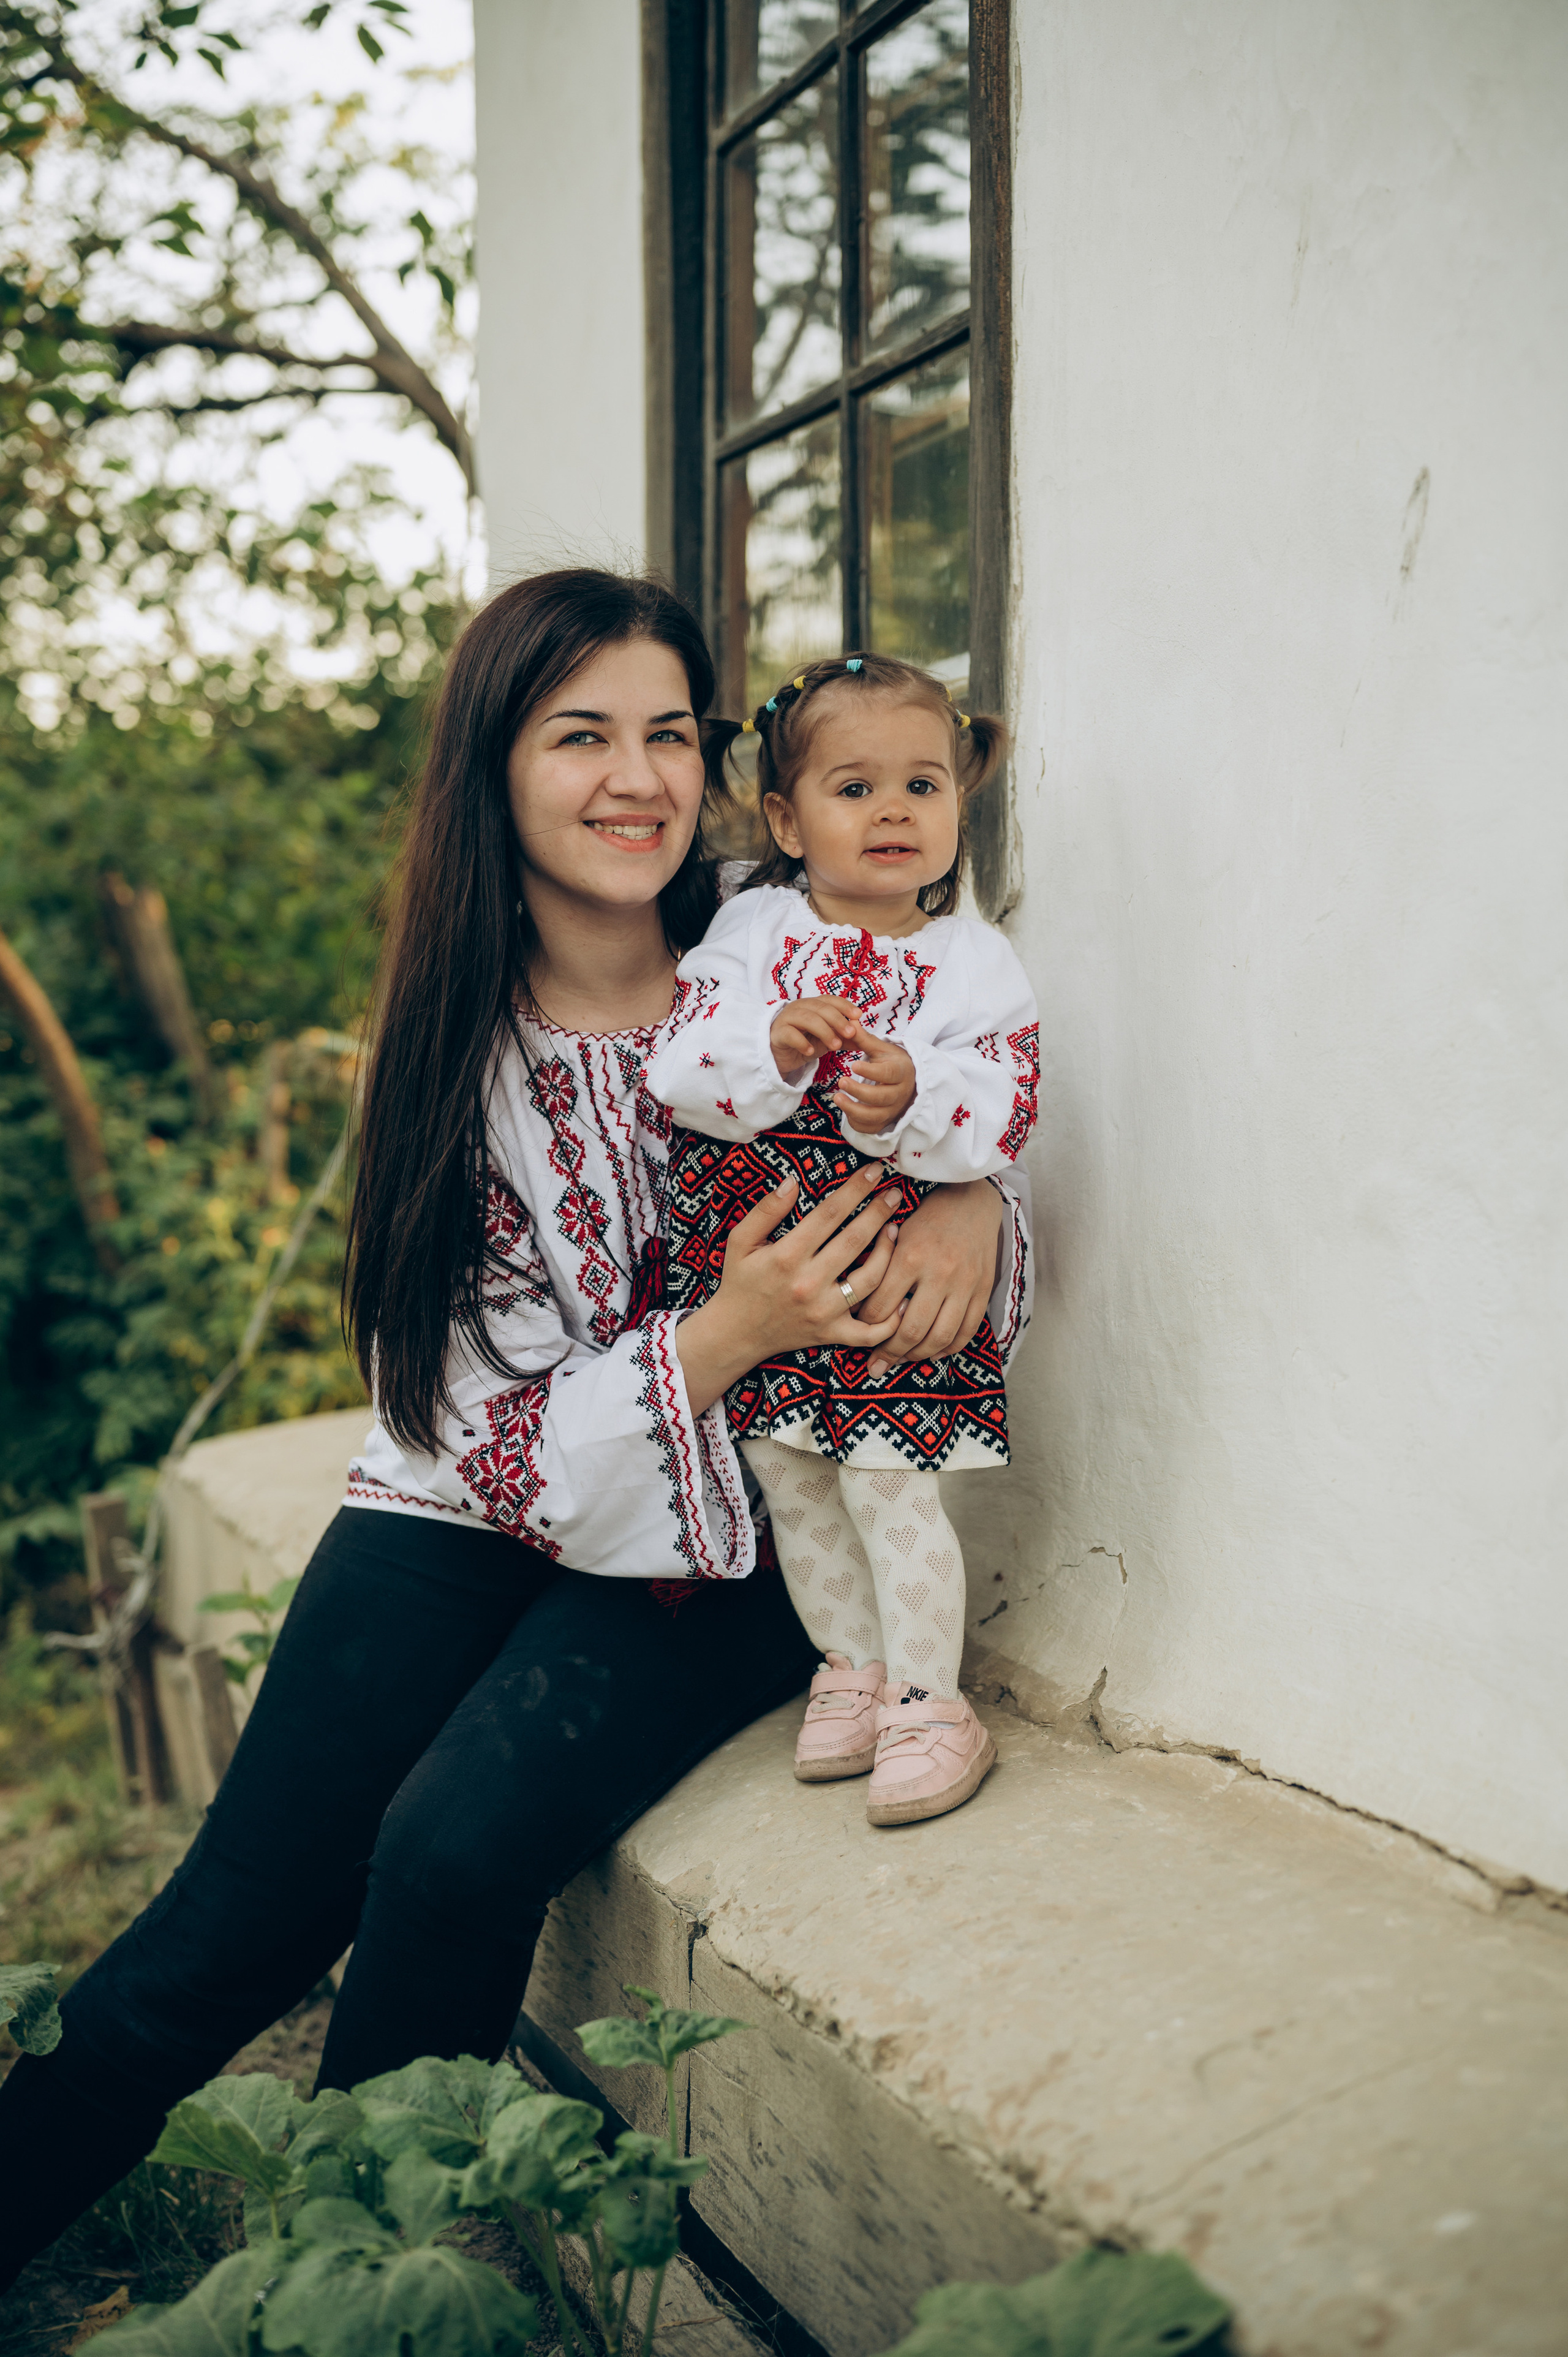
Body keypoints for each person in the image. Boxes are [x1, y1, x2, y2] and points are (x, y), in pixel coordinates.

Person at [0, 572, 1027, 2288]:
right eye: (580, 737)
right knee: (220, 1935)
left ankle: (346, 2290)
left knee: (447, 1852)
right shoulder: (452, 1044)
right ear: (494, 765)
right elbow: (485, 1426)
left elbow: (976, 1078)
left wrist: (977, 1195)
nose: (636, 778)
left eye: (670, 735)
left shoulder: (796, 944)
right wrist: (726, 1330)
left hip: (752, 1524)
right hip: (478, 1492)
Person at [647, 653, 1038, 1828]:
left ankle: (932, 1701)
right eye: (855, 788)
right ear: (787, 820)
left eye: (923, 785)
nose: (893, 812)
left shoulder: (971, 959)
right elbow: (678, 1063)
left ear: (958, 805)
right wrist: (768, 1045)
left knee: (886, 1478)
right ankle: (853, 1666)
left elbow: (1009, 1104)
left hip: (888, 1263)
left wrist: (920, 1095)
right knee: (790, 1471)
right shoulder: (751, 929)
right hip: (759, 1257)